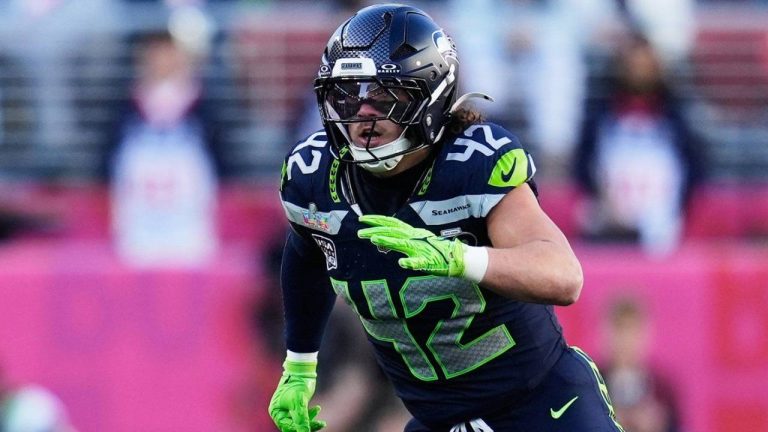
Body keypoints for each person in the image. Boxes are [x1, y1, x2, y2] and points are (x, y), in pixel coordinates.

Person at [269, 4, 624, 432]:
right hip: (438, 420)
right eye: (347, 93)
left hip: (541, 405)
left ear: (429, 97)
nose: (362, 113)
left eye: (383, 95)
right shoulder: (313, 176)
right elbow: (307, 252)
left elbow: (563, 276)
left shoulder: (470, 164)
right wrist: (300, 364)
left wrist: (459, 258)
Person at [573, 33, 702, 255]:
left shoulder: (675, 120)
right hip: (610, 215)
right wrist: (602, 199)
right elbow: (584, 164)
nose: (639, 72)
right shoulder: (602, 117)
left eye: (645, 65)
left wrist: (674, 209)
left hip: (661, 219)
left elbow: (692, 167)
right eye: (633, 65)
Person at [599, 297, 681, 432]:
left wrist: (659, 425)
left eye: (632, 330)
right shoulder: (589, 384)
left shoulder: (663, 390)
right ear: (605, 333)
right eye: (620, 329)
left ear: (646, 334)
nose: (626, 340)